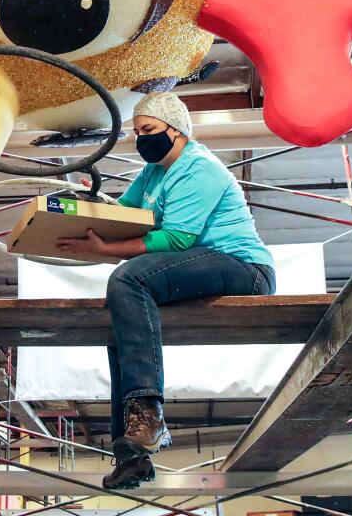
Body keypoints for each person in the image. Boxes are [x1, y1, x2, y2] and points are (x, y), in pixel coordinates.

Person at [56, 92, 276, 490]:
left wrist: (105, 252)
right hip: (199, 264)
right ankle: (133, 454)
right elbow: (125, 216)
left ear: (177, 130)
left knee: (128, 279)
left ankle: (149, 413)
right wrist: (92, 205)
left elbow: (175, 239)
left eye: (150, 131)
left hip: (242, 267)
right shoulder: (154, 172)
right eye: (137, 132)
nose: (142, 139)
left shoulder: (199, 168)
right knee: (120, 317)